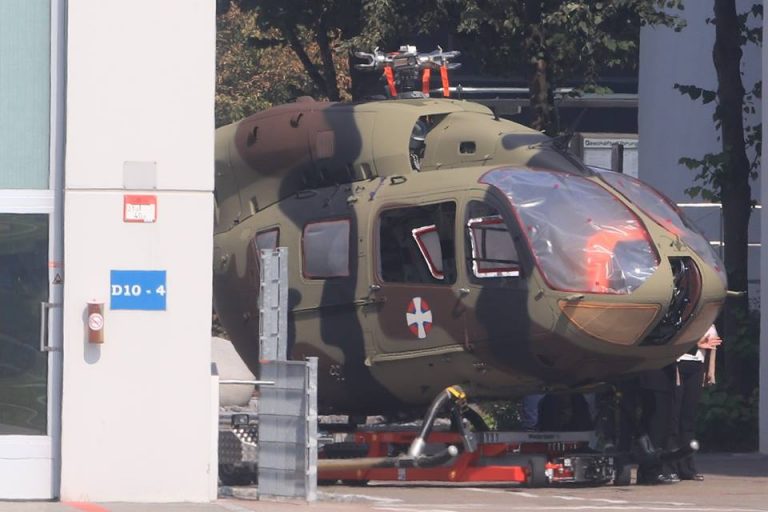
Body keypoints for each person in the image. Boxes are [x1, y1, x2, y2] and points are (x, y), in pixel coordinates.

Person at [672, 324, 722, 481]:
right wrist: (696, 344)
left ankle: (688, 467)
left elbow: (712, 344)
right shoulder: (680, 319)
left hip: (697, 366)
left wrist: (710, 371)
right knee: (674, 417)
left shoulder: (708, 321)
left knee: (688, 419)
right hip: (677, 364)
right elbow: (674, 340)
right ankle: (672, 466)